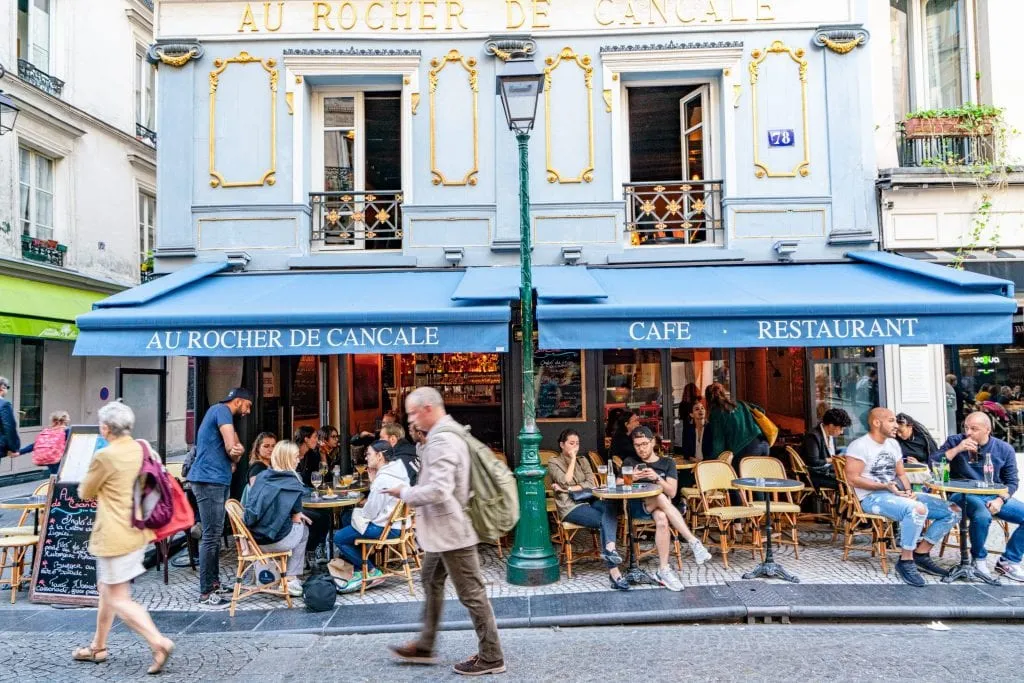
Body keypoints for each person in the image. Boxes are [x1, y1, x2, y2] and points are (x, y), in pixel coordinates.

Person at [385, 387, 505, 676]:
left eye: (413, 413)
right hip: (442, 531)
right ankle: (425, 645)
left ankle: (492, 656)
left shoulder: (442, 440)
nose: (411, 420)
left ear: (427, 408)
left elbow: (438, 489)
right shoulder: (443, 434)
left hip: (452, 531)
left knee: (472, 593)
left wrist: (405, 491)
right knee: (430, 579)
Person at [75, 401, 174, 674]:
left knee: (119, 598)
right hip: (138, 530)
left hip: (114, 534)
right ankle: (98, 646)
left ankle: (158, 641)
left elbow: (85, 491)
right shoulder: (140, 448)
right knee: (107, 590)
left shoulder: (105, 456)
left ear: (105, 428)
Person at [844, 407, 959, 587]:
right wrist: (885, 486)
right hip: (871, 498)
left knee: (953, 510)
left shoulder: (893, 444)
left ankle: (921, 554)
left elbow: (902, 474)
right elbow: (852, 479)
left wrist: (908, 491)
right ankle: (906, 560)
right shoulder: (859, 446)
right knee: (916, 509)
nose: (896, 425)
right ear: (876, 422)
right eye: (891, 420)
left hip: (896, 494)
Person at [931, 411, 1024, 582]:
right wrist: (958, 449)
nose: (968, 432)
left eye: (974, 429)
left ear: (987, 430)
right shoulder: (955, 441)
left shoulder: (1004, 449)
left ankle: (1008, 561)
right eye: (966, 427)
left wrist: (1000, 499)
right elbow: (933, 462)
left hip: (992, 496)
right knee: (982, 515)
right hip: (962, 494)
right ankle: (978, 559)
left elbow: (1012, 482)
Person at [623, 426, 711, 591]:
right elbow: (617, 485)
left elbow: (672, 491)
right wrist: (631, 478)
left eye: (644, 444)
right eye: (637, 445)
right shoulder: (630, 462)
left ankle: (663, 570)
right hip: (637, 507)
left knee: (662, 518)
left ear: (652, 442)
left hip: (660, 508)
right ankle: (693, 541)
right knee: (660, 497)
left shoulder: (667, 463)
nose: (641, 448)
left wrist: (656, 478)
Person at [187, 387, 252, 606]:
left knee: (213, 535)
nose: (248, 411)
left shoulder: (221, 413)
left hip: (216, 479)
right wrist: (235, 452)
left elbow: (236, 450)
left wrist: (235, 453)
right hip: (209, 481)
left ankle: (214, 583)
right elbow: (233, 448)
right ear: (239, 401)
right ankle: (206, 592)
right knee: (211, 536)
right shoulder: (222, 411)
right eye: (248, 406)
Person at [546, 428, 627, 590]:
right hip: (570, 507)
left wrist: (569, 489)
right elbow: (564, 480)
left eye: (577, 444)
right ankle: (614, 570)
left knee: (610, 506)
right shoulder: (554, 462)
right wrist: (573, 460)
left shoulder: (584, 460)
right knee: (605, 520)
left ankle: (609, 550)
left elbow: (592, 484)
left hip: (590, 499)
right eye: (571, 443)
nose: (575, 447)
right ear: (562, 445)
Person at [333, 440, 409, 593]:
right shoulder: (398, 471)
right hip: (398, 526)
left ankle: (371, 570)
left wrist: (364, 501)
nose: (366, 458)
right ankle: (358, 565)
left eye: (368, 454)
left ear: (380, 456)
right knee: (347, 517)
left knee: (339, 537)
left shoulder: (383, 479)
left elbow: (370, 513)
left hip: (385, 528)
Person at [244, 441, 311, 597]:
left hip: (254, 540)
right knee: (304, 529)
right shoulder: (293, 482)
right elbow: (295, 519)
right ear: (287, 458)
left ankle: (283, 575)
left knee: (298, 525)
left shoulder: (261, 476)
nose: (298, 460)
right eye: (295, 457)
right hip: (276, 542)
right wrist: (298, 515)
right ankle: (291, 577)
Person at [706, 382, 768, 473]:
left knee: (735, 482)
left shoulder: (716, 413)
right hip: (763, 444)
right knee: (760, 481)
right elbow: (761, 411)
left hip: (745, 451)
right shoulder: (739, 404)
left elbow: (718, 442)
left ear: (708, 399)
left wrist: (710, 460)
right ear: (724, 393)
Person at [800, 408, 851, 491]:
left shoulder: (831, 435)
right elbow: (813, 462)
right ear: (831, 425)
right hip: (815, 475)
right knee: (849, 483)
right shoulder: (813, 436)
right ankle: (844, 503)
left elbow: (833, 452)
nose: (841, 432)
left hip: (827, 472)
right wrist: (833, 459)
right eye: (841, 428)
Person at [21, 410, 71, 474]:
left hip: (50, 459)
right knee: (61, 478)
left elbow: (35, 445)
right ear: (65, 421)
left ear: (53, 420)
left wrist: (20, 452)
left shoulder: (47, 431)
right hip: (59, 459)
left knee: (54, 477)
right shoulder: (66, 431)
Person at [0, 377, 21, 459]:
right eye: (7, 387)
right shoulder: (4, 404)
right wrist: (14, 448)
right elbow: (9, 428)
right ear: (2, 387)